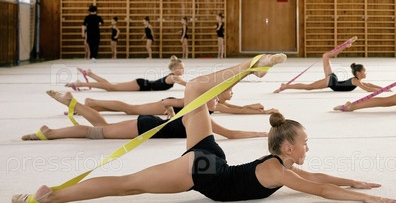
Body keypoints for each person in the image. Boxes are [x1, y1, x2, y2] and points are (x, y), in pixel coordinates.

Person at [12, 54, 396, 203]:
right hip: (203, 171)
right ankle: (51, 196)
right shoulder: (278, 170)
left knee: (195, 89)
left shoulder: (281, 166)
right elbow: (318, 189)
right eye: (305, 144)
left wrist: (354, 181)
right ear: (288, 148)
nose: (308, 149)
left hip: (211, 159)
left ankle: (251, 66)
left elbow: (317, 178)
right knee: (125, 185)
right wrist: (363, 199)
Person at [24, 91, 264, 141]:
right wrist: (261, 133)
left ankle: (74, 105)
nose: (218, 103)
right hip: (146, 127)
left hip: (151, 125)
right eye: (215, 100)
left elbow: (175, 122)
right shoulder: (203, 117)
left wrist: (170, 114)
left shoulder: (194, 111)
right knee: (95, 132)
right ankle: (53, 129)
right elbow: (232, 134)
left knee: (100, 127)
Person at [275, 38, 382, 93]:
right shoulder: (356, 81)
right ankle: (286, 86)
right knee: (309, 87)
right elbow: (367, 89)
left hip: (333, 79)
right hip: (332, 82)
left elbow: (369, 84)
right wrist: (381, 90)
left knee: (326, 56)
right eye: (364, 71)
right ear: (358, 73)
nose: (366, 73)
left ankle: (345, 45)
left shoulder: (356, 80)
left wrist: (383, 88)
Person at [80, 88, 277, 116]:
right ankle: (92, 101)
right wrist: (169, 106)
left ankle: (90, 107)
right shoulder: (211, 100)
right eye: (230, 91)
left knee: (130, 110)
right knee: (130, 109)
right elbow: (236, 111)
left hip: (169, 105)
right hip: (167, 105)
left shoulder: (215, 101)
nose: (232, 94)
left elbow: (236, 108)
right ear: (222, 92)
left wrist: (258, 108)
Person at [67, 55, 186, 92]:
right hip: (141, 85)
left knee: (110, 86)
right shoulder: (173, 77)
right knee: (111, 88)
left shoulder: (172, 76)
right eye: (181, 68)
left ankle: (89, 74)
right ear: (174, 69)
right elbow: (188, 84)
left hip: (142, 84)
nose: (183, 70)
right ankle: (80, 84)